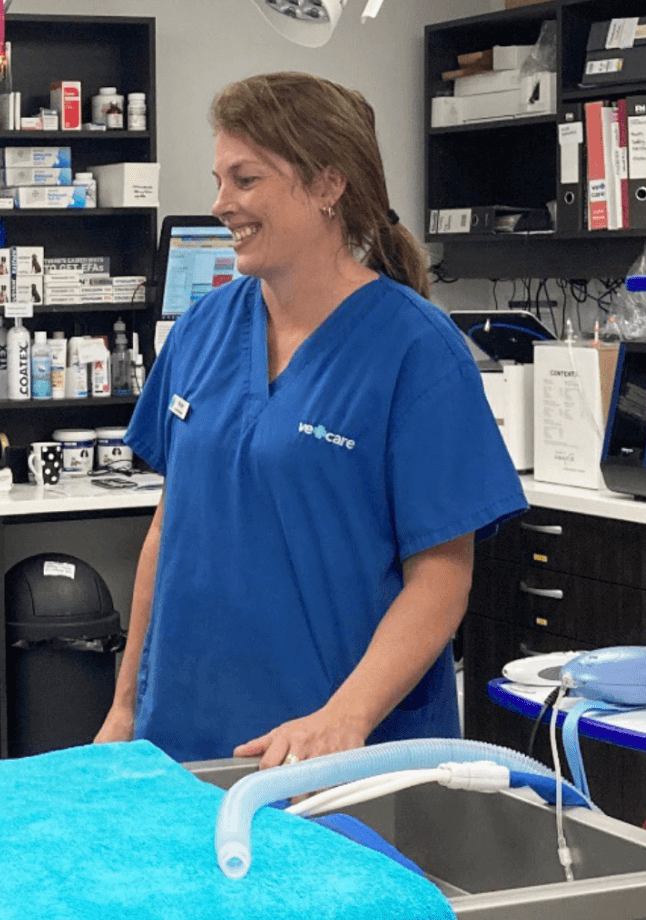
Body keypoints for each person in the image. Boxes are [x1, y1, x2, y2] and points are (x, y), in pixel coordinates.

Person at [94, 73, 526, 768]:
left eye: (246, 180)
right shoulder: (202, 330)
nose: (221, 204)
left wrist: (342, 718)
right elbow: (167, 530)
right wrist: (123, 708)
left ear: (328, 185)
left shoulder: (416, 349)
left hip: (337, 753)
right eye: (219, 180)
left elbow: (443, 577)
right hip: (181, 737)